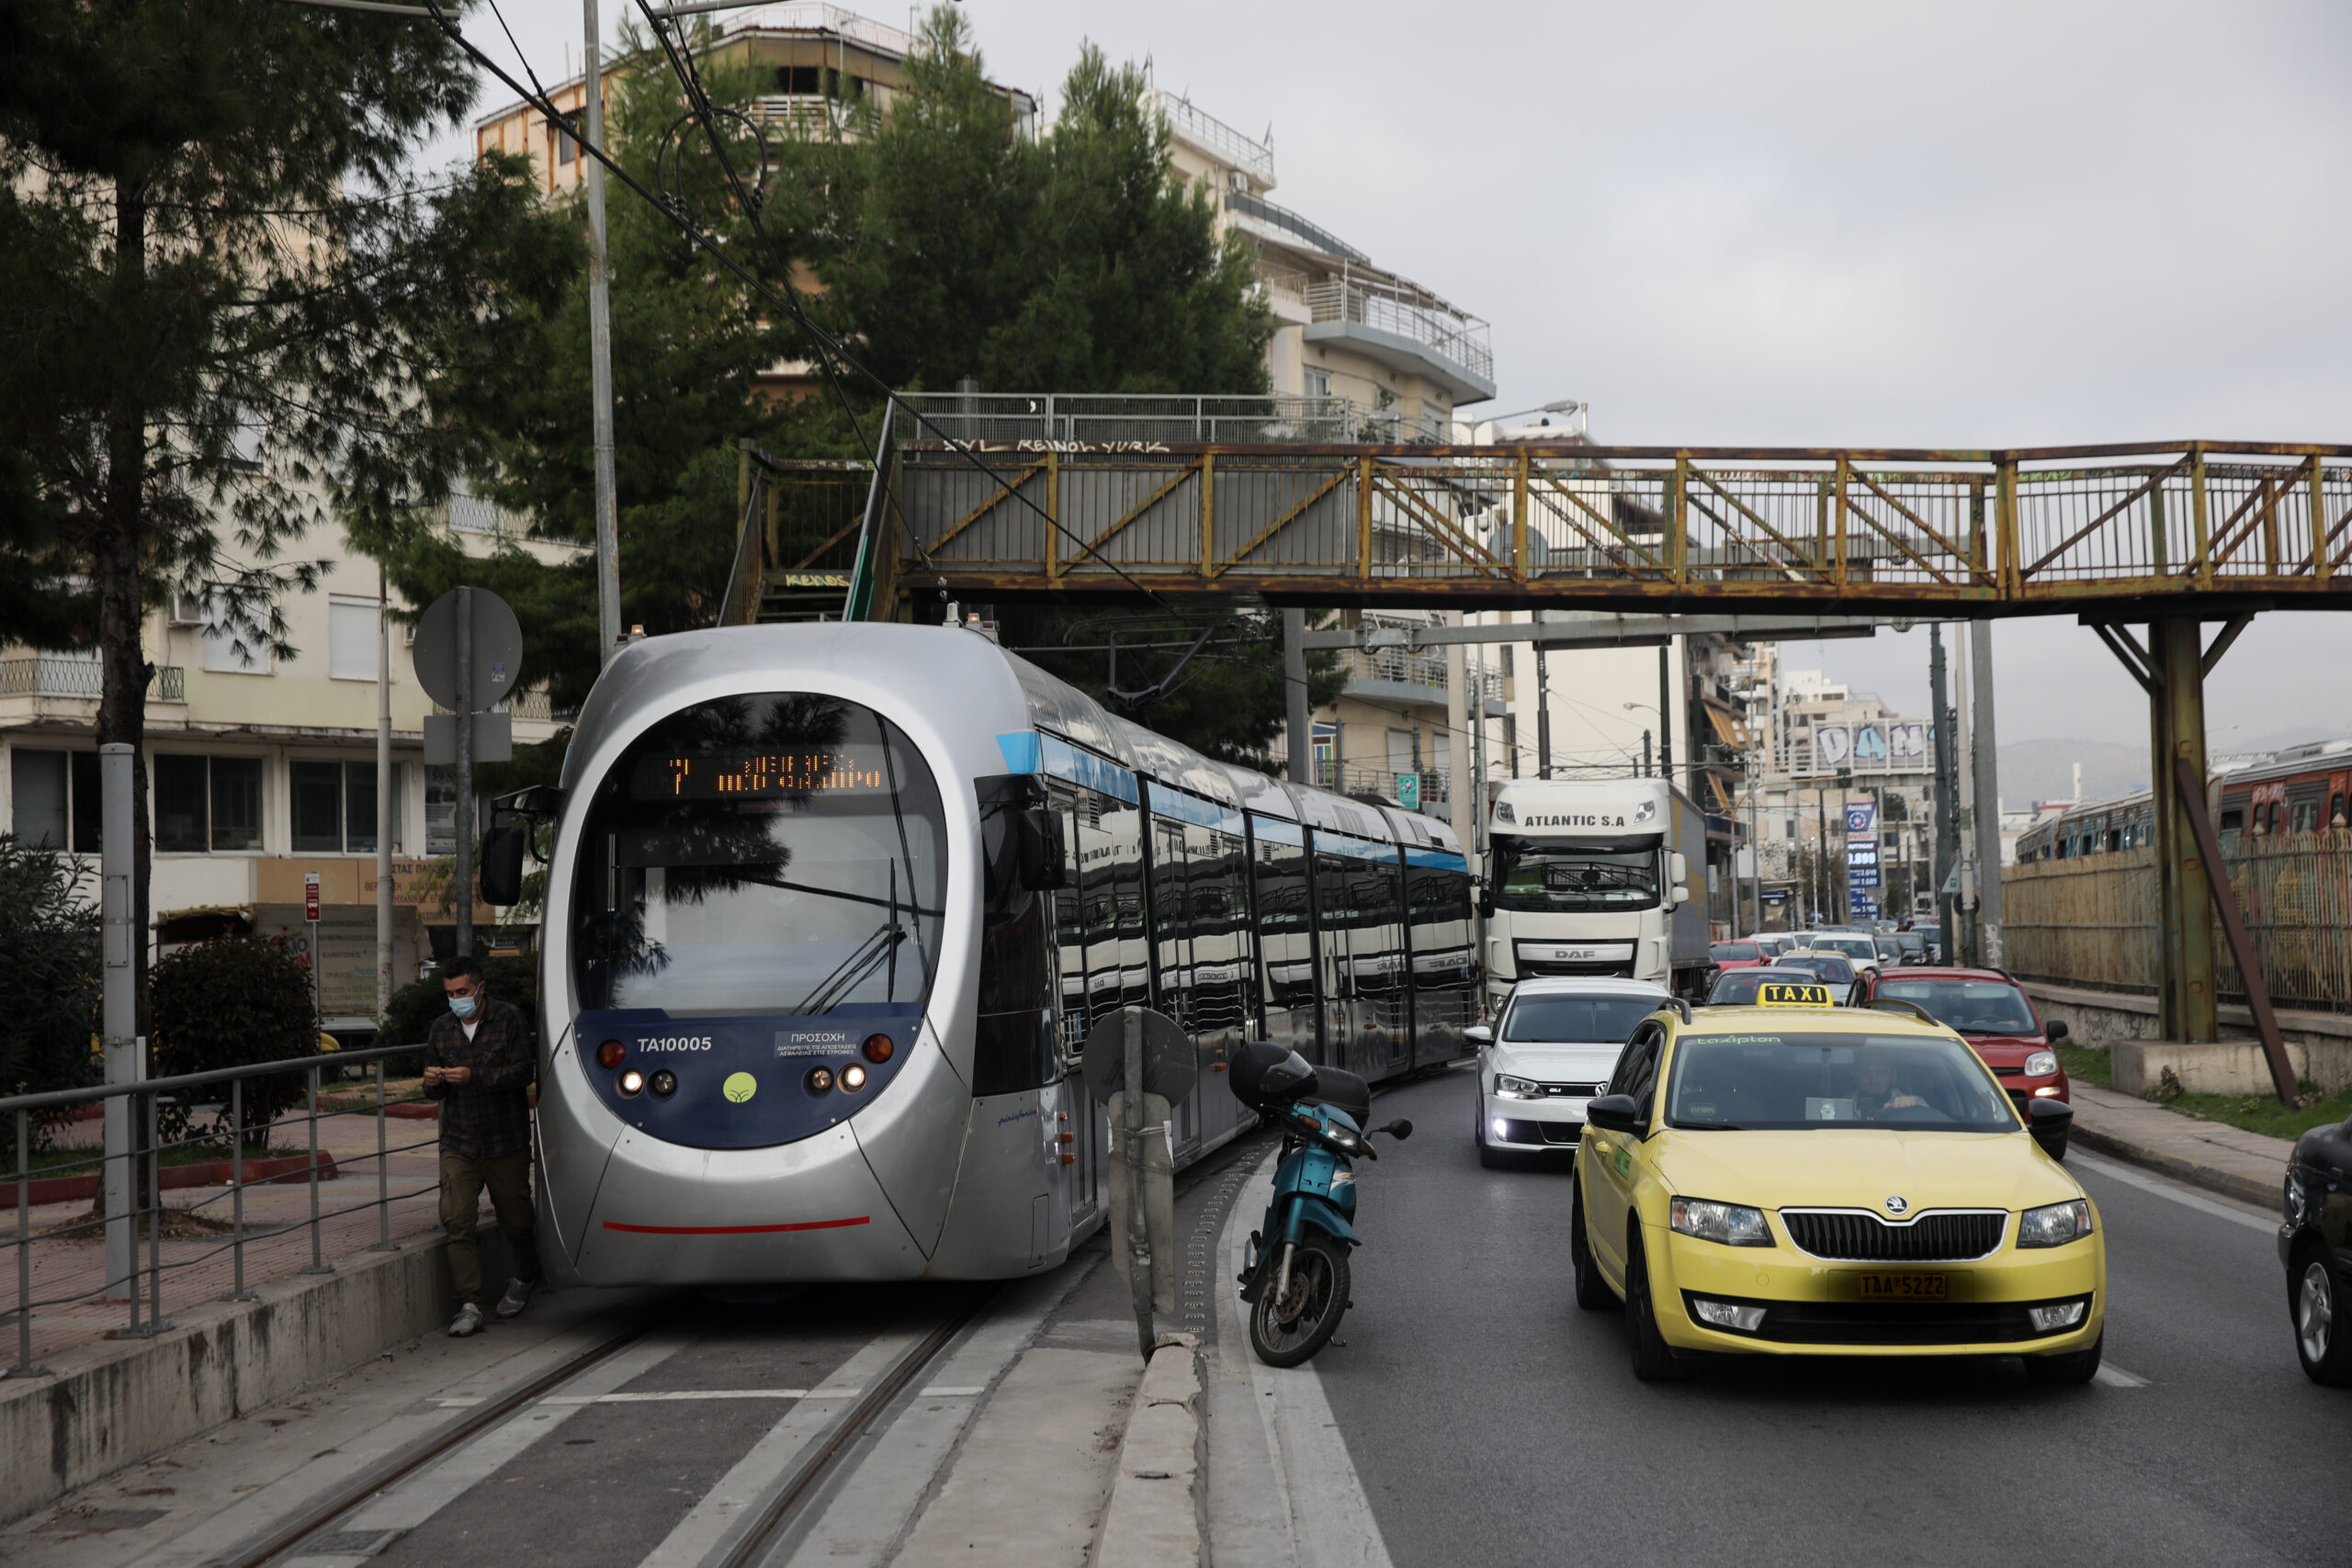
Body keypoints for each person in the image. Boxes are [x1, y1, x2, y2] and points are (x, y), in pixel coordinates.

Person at [424, 953, 542, 1337]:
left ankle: (525, 1277)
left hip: (504, 1141)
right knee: (458, 1221)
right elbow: (431, 1089)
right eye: (450, 993)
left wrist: (475, 1076)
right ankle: (469, 1304)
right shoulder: (441, 1028)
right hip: (458, 1141)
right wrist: (433, 1080)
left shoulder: (509, 1019)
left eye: (462, 991)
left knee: (517, 1221)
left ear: (480, 989)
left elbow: (523, 1073)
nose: (456, 999)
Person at [1853, 1048, 1922, 1118]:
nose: (1874, 1081)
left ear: (1893, 1076)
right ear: (1855, 1074)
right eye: (1866, 1073)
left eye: (1882, 1073)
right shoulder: (1843, 1104)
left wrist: (1911, 1111)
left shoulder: (1914, 1103)